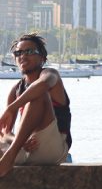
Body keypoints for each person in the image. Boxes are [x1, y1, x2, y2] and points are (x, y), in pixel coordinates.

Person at [0, 33, 71, 177]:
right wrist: (20, 141)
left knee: (39, 95)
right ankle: (12, 153)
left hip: (51, 148)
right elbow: (6, 133)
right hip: (24, 146)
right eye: (18, 52)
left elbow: (43, 85)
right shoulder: (16, 90)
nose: (23, 56)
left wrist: (11, 107)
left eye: (30, 51)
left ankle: (9, 157)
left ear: (43, 58)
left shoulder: (51, 74)